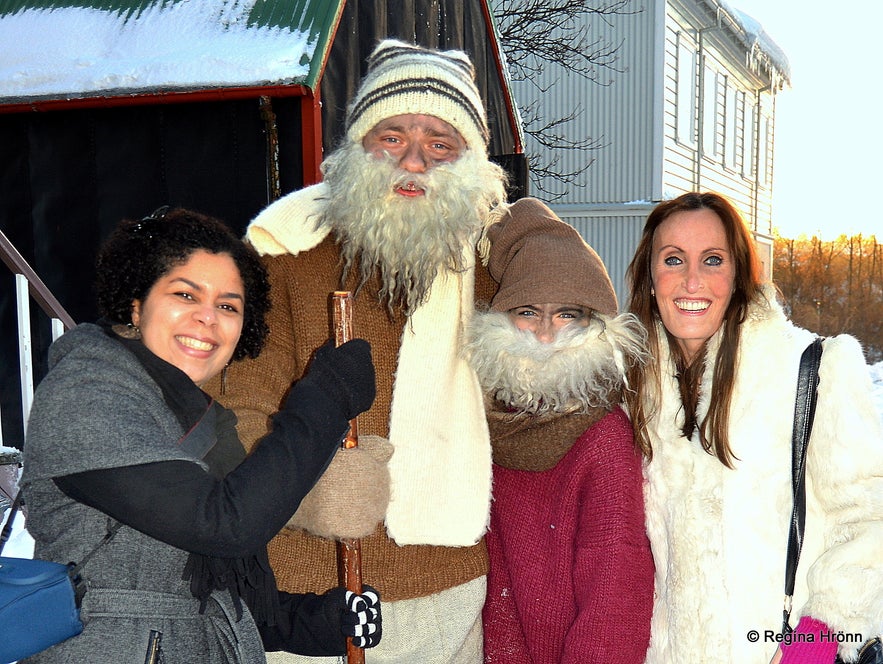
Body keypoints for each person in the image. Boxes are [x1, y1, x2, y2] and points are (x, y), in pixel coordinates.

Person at [209, 39, 509, 663]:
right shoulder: (282, 254)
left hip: (451, 591)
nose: (415, 161)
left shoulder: (495, 264)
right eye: (393, 135)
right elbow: (232, 412)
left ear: (472, 162)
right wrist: (306, 490)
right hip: (312, 597)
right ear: (358, 145)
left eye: (441, 143)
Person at [19, 208, 382, 663]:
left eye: (228, 305)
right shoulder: (85, 396)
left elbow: (207, 594)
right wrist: (327, 399)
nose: (208, 317)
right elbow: (225, 526)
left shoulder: (193, 416)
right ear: (136, 303)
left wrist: (313, 623)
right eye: (186, 295)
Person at [623, 191, 883, 664]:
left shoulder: (814, 370)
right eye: (674, 259)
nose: (692, 280)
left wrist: (815, 646)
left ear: (739, 273)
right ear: (650, 275)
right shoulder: (635, 394)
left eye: (713, 259)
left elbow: (870, 521)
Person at [462, 197, 654, 663]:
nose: (546, 334)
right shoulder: (483, 419)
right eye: (527, 311)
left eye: (566, 313)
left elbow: (614, 591)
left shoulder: (602, 437)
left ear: (594, 323)